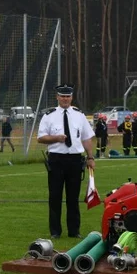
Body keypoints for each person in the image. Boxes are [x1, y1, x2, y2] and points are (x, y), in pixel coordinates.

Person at [36, 85, 95, 239]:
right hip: (56, 159)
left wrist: (90, 157)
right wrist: (56, 138)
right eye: (62, 96)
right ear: (57, 97)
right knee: (55, 196)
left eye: (68, 96)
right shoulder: (49, 116)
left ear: (71, 98)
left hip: (75, 160)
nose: (65, 99)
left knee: (73, 198)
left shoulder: (79, 115)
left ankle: (74, 231)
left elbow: (86, 138)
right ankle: (55, 231)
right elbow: (41, 138)